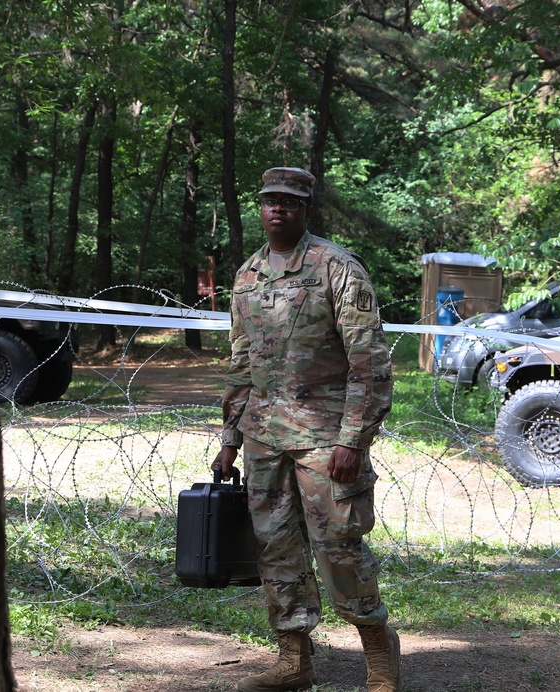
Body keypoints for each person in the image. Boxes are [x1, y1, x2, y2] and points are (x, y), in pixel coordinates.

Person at [213, 167, 399, 692]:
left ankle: (378, 653)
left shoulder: (336, 267)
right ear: (261, 207)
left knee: (339, 546)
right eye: (271, 200)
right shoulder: (248, 275)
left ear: (306, 210)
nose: (279, 210)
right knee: (277, 550)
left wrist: (352, 440)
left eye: (290, 203)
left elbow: (369, 362)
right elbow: (241, 364)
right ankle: (294, 660)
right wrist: (230, 441)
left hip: (325, 438)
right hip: (264, 439)